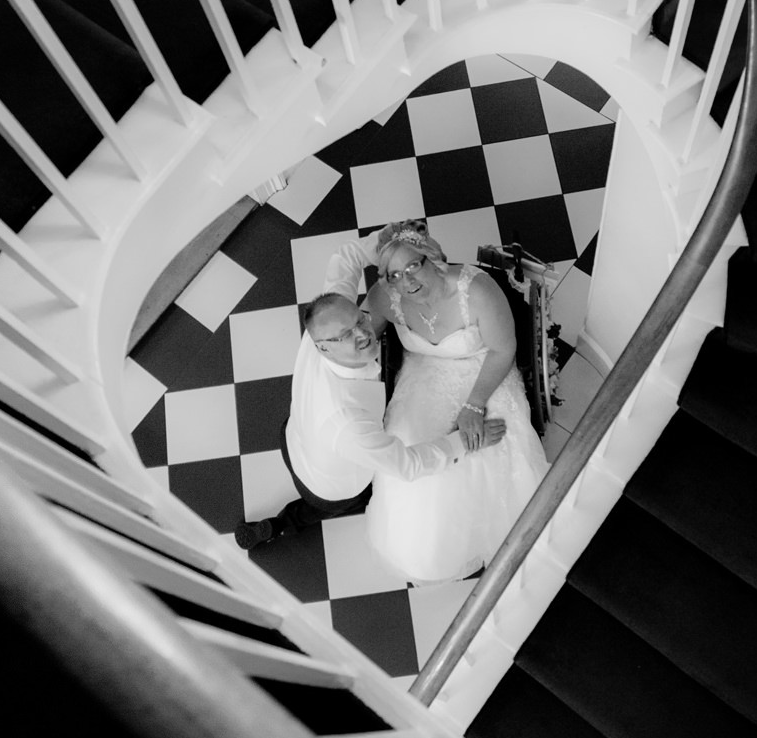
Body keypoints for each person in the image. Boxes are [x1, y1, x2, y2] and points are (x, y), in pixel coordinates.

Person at [234, 225, 506, 551]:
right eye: (346, 336)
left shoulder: (327, 320)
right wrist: (462, 442)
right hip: (329, 482)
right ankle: (279, 526)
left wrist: (384, 239)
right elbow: (407, 466)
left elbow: (344, 258)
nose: (363, 333)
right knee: (347, 501)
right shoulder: (347, 422)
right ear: (323, 347)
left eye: (360, 320)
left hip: (293, 436)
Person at [362, 222, 549, 583]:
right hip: (424, 378)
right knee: (412, 460)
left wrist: (473, 407)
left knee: (485, 458)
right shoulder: (387, 297)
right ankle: (429, 552)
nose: (406, 282)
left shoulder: (476, 291)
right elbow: (364, 334)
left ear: (431, 257)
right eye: (394, 275)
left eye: (413, 266)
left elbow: (503, 349)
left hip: (484, 373)